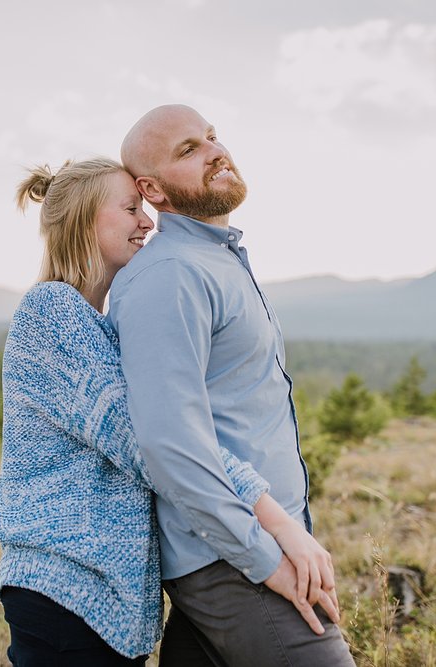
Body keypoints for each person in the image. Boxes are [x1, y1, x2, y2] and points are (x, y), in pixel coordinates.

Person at [0, 157, 295, 665]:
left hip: (104, 599)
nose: (148, 222)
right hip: (64, 590)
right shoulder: (52, 315)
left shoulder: (97, 324)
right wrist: (275, 523)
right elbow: (154, 443)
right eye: (131, 208)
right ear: (85, 220)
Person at [109, 105, 356, 665]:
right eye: (188, 150)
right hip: (235, 559)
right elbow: (171, 444)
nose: (216, 151)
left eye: (212, 137)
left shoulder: (217, 262)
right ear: (154, 190)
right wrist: (265, 559)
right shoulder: (169, 276)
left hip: (253, 546)